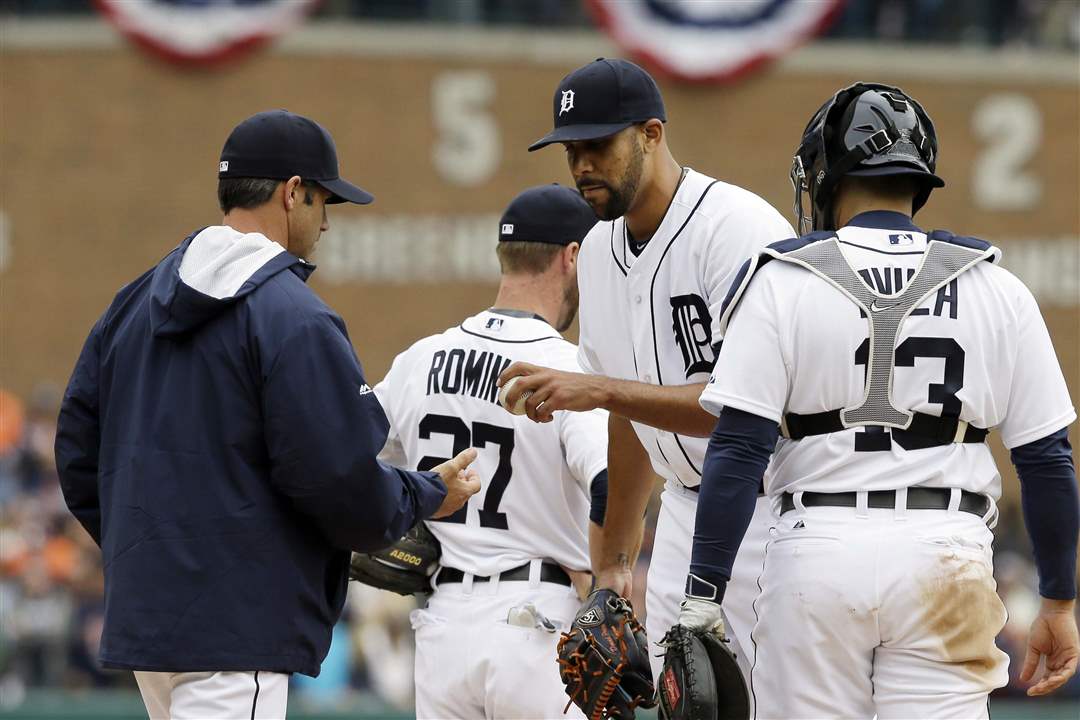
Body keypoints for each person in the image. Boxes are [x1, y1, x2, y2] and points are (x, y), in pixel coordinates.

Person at [53, 110, 480, 720]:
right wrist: (422, 494)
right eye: (323, 200)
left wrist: (152, 549)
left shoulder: (132, 303)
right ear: (291, 192)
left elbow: (76, 452)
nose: (327, 221)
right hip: (237, 628)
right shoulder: (295, 316)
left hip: (154, 624)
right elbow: (338, 479)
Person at [676, 82, 1079, 718]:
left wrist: (703, 591)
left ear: (831, 174)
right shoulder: (997, 287)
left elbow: (738, 448)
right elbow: (1048, 461)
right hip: (946, 553)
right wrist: (1057, 599)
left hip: (818, 550)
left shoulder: (782, 278)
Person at [501, 58, 795, 683]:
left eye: (598, 145)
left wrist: (600, 389)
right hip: (684, 517)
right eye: (571, 150)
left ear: (651, 134)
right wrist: (611, 570)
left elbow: (746, 413)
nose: (581, 165)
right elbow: (627, 420)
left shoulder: (737, 229)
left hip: (775, 512)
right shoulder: (601, 250)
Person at [372, 184, 607, 719]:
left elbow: (342, 456)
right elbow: (610, 485)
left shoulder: (419, 358)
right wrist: (606, 576)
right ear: (573, 257)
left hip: (444, 627)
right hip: (537, 625)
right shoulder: (567, 369)